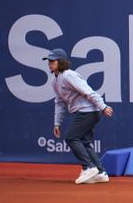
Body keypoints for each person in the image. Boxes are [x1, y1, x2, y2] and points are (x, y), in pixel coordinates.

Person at [45, 47, 113, 184]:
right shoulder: (55, 81)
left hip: (87, 111)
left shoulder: (69, 75)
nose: (49, 63)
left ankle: (88, 167)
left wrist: (103, 106)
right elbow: (59, 103)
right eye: (49, 61)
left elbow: (88, 91)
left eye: (53, 61)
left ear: (61, 62)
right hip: (84, 112)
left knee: (71, 138)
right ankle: (101, 173)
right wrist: (57, 123)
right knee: (84, 142)